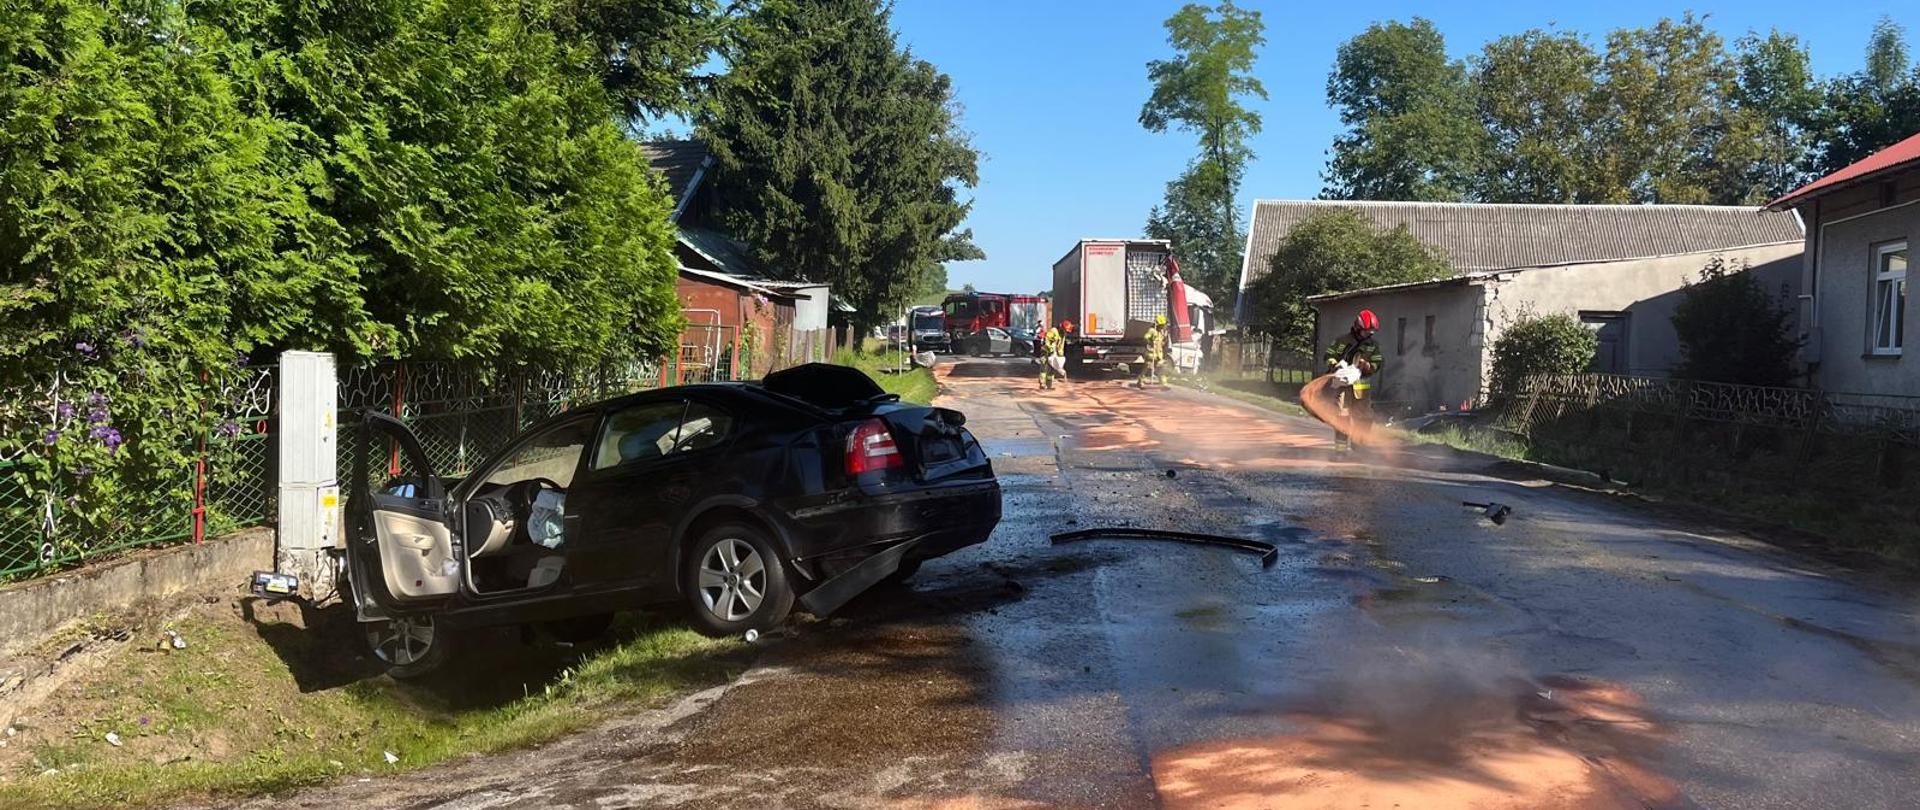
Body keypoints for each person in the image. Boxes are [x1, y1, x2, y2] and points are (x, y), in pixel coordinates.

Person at [1324, 310, 1383, 452]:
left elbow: (1378, 362)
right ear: (1357, 328)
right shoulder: (1342, 341)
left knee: (1364, 418)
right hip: (1343, 386)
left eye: (1371, 332)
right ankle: (1341, 449)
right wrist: (1334, 364)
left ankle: (1360, 447)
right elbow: (1329, 355)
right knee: (1342, 416)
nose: (1369, 334)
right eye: (1366, 332)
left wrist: (1368, 366)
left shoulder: (1373, 346)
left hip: (1361, 389)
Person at [1137, 315, 1167, 388]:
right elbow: (1145, 337)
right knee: (1147, 366)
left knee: (1161, 367)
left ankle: (1163, 383)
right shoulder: (1152, 330)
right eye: (1162, 325)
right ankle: (1140, 380)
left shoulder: (1162, 332)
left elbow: (1162, 341)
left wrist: (1163, 341)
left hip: (1159, 353)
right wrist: (1150, 341)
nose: (1163, 326)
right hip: (1151, 352)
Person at [1041, 320, 1071, 390]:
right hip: (1045, 352)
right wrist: (1050, 348)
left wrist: (1060, 356)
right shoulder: (1053, 331)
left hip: (1053, 353)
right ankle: (1042, 384)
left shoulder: (1062, 335)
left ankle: (1049, 385)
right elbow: (1047, 340)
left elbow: (1061, 346)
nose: (1066, 332)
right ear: (1061, 327)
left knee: (1051, 369)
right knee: (1044, 368)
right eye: (1065, 330)